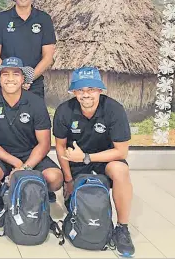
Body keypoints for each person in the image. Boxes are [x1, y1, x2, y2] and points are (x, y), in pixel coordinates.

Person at [53, 67, 135, 257]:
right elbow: (60, 147)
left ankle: (122, 228)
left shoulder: (114, 109)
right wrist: (68, 180)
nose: (86, 95)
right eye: (80, 90)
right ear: (74, 92)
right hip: (75, 162)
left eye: (91, 89)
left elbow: (122, 151)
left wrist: (87, 157)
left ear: (100, 90)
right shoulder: (64, 111)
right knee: (77, 206)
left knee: (120, 170)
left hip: (104, 160)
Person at [0, 57, 63, 214]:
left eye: (16, 74)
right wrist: (16, 163)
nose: (10, 79)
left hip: (29, 153)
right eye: (5, 74)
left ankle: (36, 187)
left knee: (55, 178)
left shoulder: (36, 102)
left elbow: (43, 144)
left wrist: (25, 167)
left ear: (23, 78)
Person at [0, 0, 56, 98]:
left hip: (33, 84)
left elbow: (48, 57)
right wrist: (11, 79)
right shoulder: (0, 19)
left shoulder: (44, 19)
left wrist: (27, 78)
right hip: (6, 84)